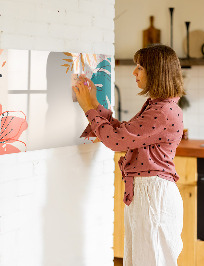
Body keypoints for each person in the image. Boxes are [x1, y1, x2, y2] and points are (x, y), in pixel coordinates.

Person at [73, 44, 185, 266]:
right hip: (148, 193)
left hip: (153, 195)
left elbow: (116, 141)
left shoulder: (162, 111)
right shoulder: (158, 106)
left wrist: (88, 108)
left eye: (140, 67)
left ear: (156, 72)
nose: (134, 72)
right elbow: (124, 133)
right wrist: (95, 104)